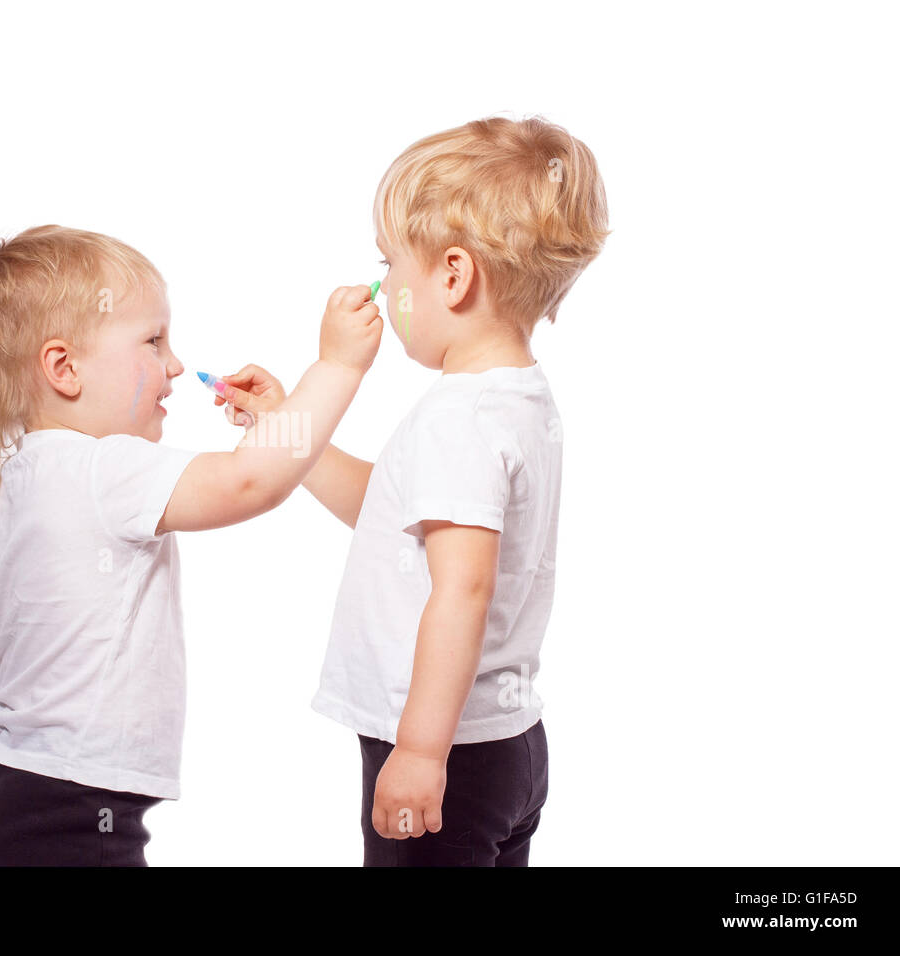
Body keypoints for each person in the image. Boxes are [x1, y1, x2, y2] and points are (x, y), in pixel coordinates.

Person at [222, 116, 609, 865]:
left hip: (448, 751)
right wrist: (283, 426)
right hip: (506, 745)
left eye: (389, 265)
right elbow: (390, 510)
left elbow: (461, 590)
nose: (383, 285)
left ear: (454, 276)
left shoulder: (459, 417)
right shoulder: (514, 398)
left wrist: (422, 751)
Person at [0, 225, 381, 865]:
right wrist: (338, 366)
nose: (175, 364)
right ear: (63, 368)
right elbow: (250, 480)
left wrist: (34, 746)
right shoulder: (102, 468)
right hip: (73, 815)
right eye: (153, 341)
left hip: (5, 794)